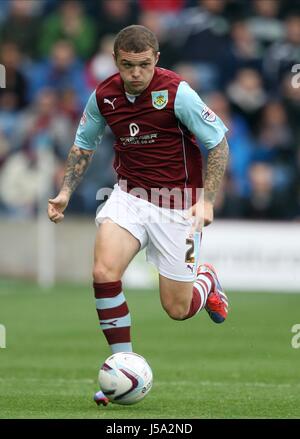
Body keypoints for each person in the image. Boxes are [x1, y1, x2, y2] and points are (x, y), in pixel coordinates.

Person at [47, 25, 230, 406]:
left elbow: (218, 143)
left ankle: (206, 280)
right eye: (128, 65)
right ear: (116, 62)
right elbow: (83, 146)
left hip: (179, 204)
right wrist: (65, 192)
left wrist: (207, 198)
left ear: (156, 60)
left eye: (144, 65)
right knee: (103, 272)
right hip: (129, 196)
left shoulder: (178, 92)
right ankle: (123, 367)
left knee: (177, 309)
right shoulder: (103, 96)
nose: (135, 74)